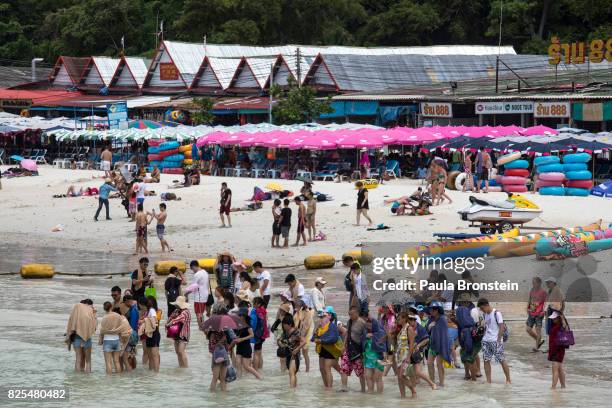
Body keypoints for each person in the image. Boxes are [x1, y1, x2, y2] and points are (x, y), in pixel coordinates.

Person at [477, 298, 511, 384]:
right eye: (480, 309)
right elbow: (486, 327)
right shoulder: (484, 314)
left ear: (486, 305)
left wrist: (499, 340)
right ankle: (488, 381)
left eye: (482, 308)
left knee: (502, 360)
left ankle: (508, 380)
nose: (482, 310)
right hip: (486, 340)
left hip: (496, 341)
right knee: (486, 360)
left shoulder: (497, 313)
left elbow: (501, 327)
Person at [312, 306, 342, 389]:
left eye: (324, 316)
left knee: (327, 368)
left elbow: (334, 339)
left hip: (331, 350)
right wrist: (315, 329)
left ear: (330, 316)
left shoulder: (332, 326)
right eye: (321, 317)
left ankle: (329, 388)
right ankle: (326, 386)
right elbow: (312, 339)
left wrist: (321, 341)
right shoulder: (320, 327)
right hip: (322, 350)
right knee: (322, 369)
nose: (321, 318)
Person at [99, 301, 132, 375]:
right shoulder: (118, 316)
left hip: (107, 340)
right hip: (116, 340)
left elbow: (102, 330)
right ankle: (119, 378)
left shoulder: (104, 317)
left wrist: (100, 341)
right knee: (116, 361)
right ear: (111, 307)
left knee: (108, 362)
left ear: (104, 309)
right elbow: (121, 328)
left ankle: (109, 380)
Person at [339, 306, 367, 392]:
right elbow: (348, 333)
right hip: (348, 349)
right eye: (349, 314)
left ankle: (363, 390)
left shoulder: (362, 323)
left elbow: (366, 337)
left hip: (357, 351)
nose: (350, 316)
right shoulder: (349, 321)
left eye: (352, 314)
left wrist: (364, 352)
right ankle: (344, 388)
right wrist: (343, 345)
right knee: (343, 369)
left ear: (357, 314)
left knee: (360, 372)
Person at [65, 300, 97, 373]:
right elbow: (94, 328)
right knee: (88, 361)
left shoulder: (77, 312)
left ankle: (77, 378)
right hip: (87, 339)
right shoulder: (91, 313)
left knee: (78, 359)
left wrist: (69, 336)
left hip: (77, 338)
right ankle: (88, 379)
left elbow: (71, 324)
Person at [205, 304, 231, 392]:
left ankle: (212, 396)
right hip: (224, 352)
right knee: (223, 379)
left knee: (215, 378)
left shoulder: (212, 325)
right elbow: (225, 340)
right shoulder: (225, 325)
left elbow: (210, 338)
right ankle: (223, 398)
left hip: (217, 353)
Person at [456, 293, 481, 380]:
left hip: (470, 337)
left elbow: (469, 325)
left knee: (469, 357)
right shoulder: (466, 310)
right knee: (468, 356)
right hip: (470, 337)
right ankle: (469, 374)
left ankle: (473, 377)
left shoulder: (469, 311)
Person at [233, 307, 263, 379]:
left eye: (240, 315)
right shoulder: (238, 325)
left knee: (246, 366)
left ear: (244, 316)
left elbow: (252, 335)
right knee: (238, 364)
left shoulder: (247, 326)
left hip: (246, 347)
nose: (239, 317)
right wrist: (236, 338)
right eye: (238, 315)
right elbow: (237, 335)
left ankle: (259, 377)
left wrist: (242, 339)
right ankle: (239, 380)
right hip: (239, 347)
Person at [427, 302, 451, 387]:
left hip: (441, 345)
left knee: (439, 364)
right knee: (429, 363)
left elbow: (444, 335)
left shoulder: (442, 319)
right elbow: (427, 331)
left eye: (432, 309)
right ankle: (432, 382)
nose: (430, 311)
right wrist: (429, 327)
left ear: (437, 310)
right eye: (430, 309)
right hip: (432, 345)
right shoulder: (430, 319)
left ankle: (441, 383)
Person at [278, 315, 306, 388]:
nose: (284, 326)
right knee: (292, 374)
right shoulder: (285, 332)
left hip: (294, 355)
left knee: (291, 373)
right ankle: (295, 388)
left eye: (285, 325)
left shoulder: (296, 332)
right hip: (287, 354)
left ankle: (291, 391)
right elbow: (279, 340)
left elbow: (304, 342)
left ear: (290, 324)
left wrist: (297, 349)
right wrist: (281, 344)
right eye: (283, 325)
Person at [166, 296, 191, 368]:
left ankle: (186, 367)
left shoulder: (186, 312)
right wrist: (167, 323)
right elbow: (170, 317)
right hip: (176, 334)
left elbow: (176, 320)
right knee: (178, 352)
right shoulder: (176, 310)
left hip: (184, 334)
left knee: (181, 351)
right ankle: (181, 367)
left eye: (177, 304)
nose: (176, 305)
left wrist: (168, 324)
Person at [526, 277, 547, 351]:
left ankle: (536, 347)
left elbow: (546, 302)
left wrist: (544, 311)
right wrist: (527, 308)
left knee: (538, 331)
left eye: (534, 283)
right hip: (531, 312)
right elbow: (529, 299)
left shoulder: (543, 292)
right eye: (532, 283)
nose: (533, 284)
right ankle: (539, 341)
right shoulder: (532, 290)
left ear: (539, 283)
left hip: (539, 314)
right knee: (528, 329)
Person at [140, 296, 160, 372]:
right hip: (149, 333)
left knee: (154, 355)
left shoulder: (151, 310)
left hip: (154, 333)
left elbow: (155, 321)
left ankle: (156, 372)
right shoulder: (148, 311)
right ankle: (151, 372)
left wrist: (144, 320)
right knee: (150, 355)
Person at [548, 311, 568, 389]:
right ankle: (563, 386)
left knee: (555, 370)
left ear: (558, 319)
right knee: (559, 369)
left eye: (554, 318)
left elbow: (565, 327)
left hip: (556, 350)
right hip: (559, 350)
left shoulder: (558, 327)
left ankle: (553, 387)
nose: (553, 320)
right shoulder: (560, 326)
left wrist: (562, 318)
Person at [294, 300, 314, 372]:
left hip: (305, 335)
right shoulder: (297, 312)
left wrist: (301, 336)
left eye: (297, 306)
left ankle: (307, 370)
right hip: (297, 334)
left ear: (301, 306)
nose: (296, 307)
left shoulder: (307, 313)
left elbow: (306, 326)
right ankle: (297, 368)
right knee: (297, 352)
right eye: (296, 306)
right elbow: (295, 323)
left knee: (305, 353)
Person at [189, 260, 210, 327]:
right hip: (205, 296)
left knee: (198, 313)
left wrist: (186, 294)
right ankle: (202, 326)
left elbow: (193, 287)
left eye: (192, 269)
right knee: (201, 313)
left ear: (194, 266)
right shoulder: (205, 272)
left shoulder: (197, 274)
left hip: (199, 297)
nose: (193, 271)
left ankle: (201, 327)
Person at [251, 297, 270, 370]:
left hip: (258, 334)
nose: (253, 305)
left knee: (256, 352)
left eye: (254, 303)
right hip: (263, 334)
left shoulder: (257, 311)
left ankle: (255, 369)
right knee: (259, 352)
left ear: (258, 304)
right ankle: (260, 368)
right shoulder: (264, 310)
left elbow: (256, 323)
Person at [123, 294, 139, 370]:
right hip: (135, 334)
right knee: (132, 354)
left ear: (127, 301)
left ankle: (129, 371)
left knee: (127, 355)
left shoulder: (133, 310)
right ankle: (133, 370)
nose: (125, 305)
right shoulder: (135, 308)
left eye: (125, 303)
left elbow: (132, 325)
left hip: (131, 334)